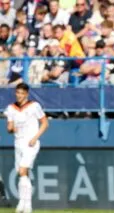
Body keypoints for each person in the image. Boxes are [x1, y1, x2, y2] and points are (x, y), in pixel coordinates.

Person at [4, 83, 49, 213]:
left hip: (31, 143)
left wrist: (35, 137)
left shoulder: (34, 106)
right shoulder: (11, 108)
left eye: (22, 93)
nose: (19, 95)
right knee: (22, 174)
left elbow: (45, 123)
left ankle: (26, 206)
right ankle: (23, 203)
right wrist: (11, 129)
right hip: (18, 143)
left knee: (23, 170)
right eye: (17, 92)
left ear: (26, 94)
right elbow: (9, 128)